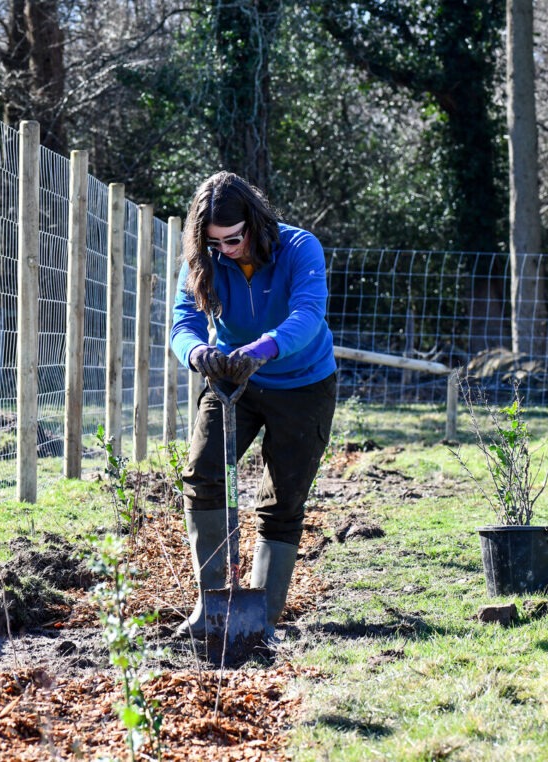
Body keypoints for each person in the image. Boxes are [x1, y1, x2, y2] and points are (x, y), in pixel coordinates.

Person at [170, 171, 337, 641]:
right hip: (230, 384)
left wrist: (262, 350)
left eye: (234, 240)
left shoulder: (299, 248)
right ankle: (212, 607)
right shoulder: (201, 259)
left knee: (282, 498)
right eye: (214, 243)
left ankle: (260, 617)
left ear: (255, 222)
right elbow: (181, 322)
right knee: (203, 474)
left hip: (303, 383)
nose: (225, 251)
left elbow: (308, 314)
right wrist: (197, 353)